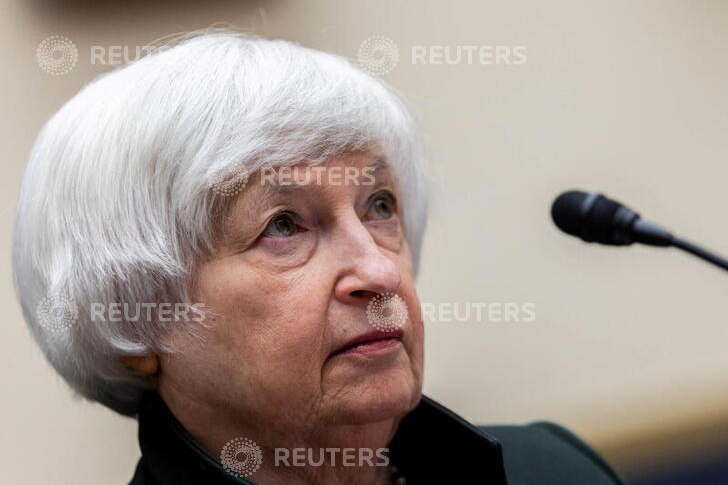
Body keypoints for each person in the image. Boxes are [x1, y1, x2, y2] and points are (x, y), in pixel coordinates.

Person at [12, 31, 623, 485]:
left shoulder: (556, 470)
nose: (381, 274)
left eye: (379, 206)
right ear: (133, 322)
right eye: (283, 226)